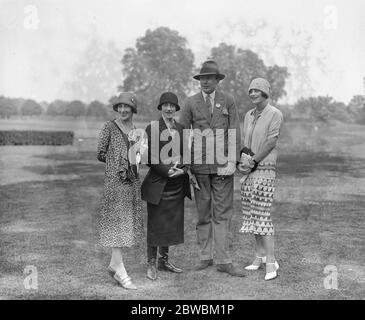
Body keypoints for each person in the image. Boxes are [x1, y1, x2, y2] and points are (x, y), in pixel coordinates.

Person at [179, 60, 245, 277]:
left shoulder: (228, 100)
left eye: (209, 78)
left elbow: (235, 129)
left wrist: (233, 162)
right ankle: (205, 256)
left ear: (218, 80)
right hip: (199, 169)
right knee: (203, 214)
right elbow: (182, 135)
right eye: (201, 78)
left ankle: (224, 260)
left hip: (222, 167)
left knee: (223, 214)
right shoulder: (190, 102)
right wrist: (187, 167)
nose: (205, 82)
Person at [141, 92, 191, 281]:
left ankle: (164, 261)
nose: (169, 108)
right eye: (165, 105)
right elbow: (147, 157)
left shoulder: (181, 128)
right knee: (155, 225)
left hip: (176, 184)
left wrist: (182, 170)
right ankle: (151, 263)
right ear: (161, 107)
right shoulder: (152, 128)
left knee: (170, 224)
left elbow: (186, 155)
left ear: (176, 108)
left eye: (172, 105)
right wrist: (166, 170)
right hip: (158, 183)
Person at [237, 78, 284, 281]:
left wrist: (253, 161)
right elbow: (245, 143)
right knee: (251, 215)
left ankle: (271, 262)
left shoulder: (275, 113)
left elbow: (271, 142)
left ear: (265, 92)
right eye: (251, 90)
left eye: (257, 90)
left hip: (264, 170)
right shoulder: (248, 115)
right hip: (249, 171)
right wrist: (243, 162)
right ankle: (259, 257)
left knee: (262, 215)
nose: (253, 94)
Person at [96, 92, 144, 289]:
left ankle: (115, 264)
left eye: (127, 107)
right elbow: (100, 153)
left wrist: (136, 159)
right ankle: (120, 269)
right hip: (115, 183)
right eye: (120, 107)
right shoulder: (109, 127)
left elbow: (140, 155)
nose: (123, 110)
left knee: (125, 223)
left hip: (131, 182)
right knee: (117, 222)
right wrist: (119, 161)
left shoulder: (137, 131)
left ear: (133, 109)